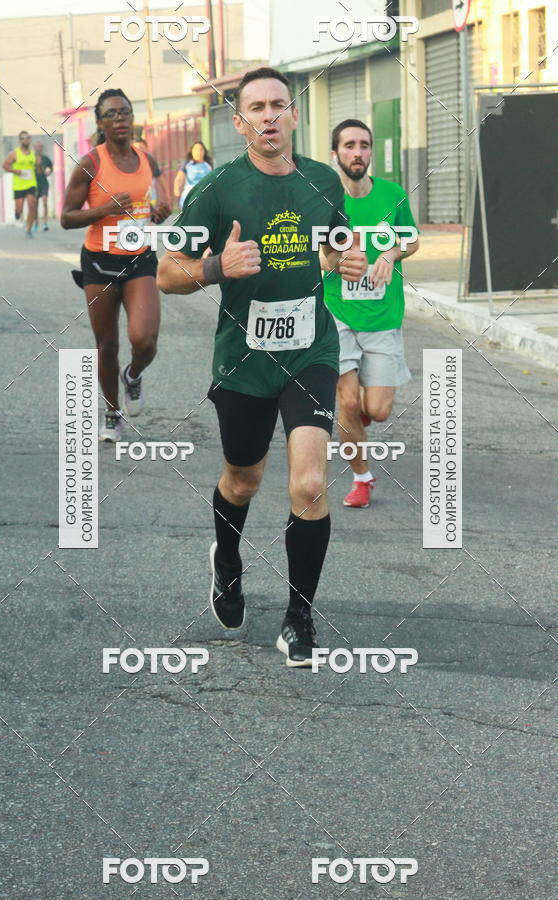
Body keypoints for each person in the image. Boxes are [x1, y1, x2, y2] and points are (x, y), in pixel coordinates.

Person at [157, 68, 367, 667]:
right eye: (256, 107)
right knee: (242, 481)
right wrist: (219, 267)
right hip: (244, 361)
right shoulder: (218, 188)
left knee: (307, 482)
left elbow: (333, 247)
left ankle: (299, 619)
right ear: (239, 120)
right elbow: (168, 274)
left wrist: (344, 261)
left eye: (280, 105)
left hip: (311, 351)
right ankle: (227, 561)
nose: (269, 116)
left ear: (295, 116)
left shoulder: (324, 181)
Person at [61, 88, 170, 442]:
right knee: (106, 344)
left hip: (139, 258)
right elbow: (66, 217)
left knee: (145, 340)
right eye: (111, 114)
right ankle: (112, 412)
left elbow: (159, 199)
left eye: (125, 111)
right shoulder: (91, 164)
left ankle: (133, 375)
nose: (120, 118)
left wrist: (160, 212)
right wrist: (104, 210)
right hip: (100, 262)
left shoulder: (147, 160)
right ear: (100, 123)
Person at [322, 119, 419, 508]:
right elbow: (320, 257)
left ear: (370, 152)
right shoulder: (326, 199)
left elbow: (410, 241)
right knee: (346, 404)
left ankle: (354, 427)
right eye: (349, 145)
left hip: (382, 315)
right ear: (336, 154)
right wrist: (339, 258)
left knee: (375, 411)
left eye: (364, 145)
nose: (357, 152)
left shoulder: (393, 194)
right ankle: (362, 478)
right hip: (337, 313)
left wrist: (390, 254)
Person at [3, 131, 40, 238]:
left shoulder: (34, 154)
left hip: (31, 184)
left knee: (32, 205)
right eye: (23, 138)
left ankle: (29, 230)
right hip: (18, 185)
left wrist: (42, 168)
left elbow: (38, 167)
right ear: (20, 140)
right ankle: (17, 214)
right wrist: (15, 171)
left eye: (28, 138)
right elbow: (5, 166)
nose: (26, 140)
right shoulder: (14, 153)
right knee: (19, 209)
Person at [173, 141, 212, 208]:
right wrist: (177, 189)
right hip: (190, 195)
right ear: (192, 151)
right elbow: (179, 178)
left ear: (204, 151)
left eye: (201, 149)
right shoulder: (187, 164)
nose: (199, 152)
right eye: (196, 149)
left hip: (205, 196)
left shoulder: (208, 165)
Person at [34, 141, 53, 231]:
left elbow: (51, 168)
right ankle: (36, 222)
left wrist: (49, 172)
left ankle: (45, 223)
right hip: (34, 184)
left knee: (45, 201)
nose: (39, 149)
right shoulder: (32, 159)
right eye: (37, 147)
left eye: (40, 147)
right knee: (35, 205)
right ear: (35, 148)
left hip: (44, 183)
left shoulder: (46, 159)